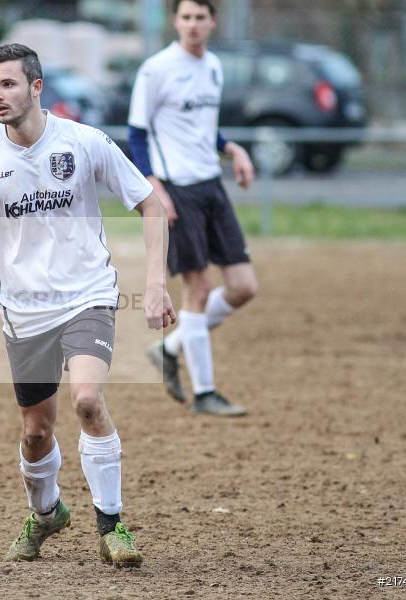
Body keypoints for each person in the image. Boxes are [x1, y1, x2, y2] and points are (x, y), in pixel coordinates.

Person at [0, 43, 176, 567]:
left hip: (88, 294)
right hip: (24, 312)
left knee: (87, 400)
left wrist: (155, 283)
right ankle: (46, 514)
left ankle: (112, 526)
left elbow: (151, 204)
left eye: (8, 85)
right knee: (36, 430)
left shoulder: (84, 142)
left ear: (37, 86)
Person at [128, 0, 259, 417]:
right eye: (185, 17)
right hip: (177, 190)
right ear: (175, 21)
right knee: (198, 289)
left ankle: (170, 347)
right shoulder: (156, 69)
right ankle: (205, 393)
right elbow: (137, 133)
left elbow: (205, 127)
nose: (193, 25)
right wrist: (155, 188)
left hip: (211, 185)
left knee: (243, 286)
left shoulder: (214, 67)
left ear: (213, 21)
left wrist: (231, 148)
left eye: (200, 17)